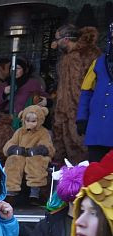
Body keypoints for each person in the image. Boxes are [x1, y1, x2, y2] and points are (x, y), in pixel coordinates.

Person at [51, 26, 99, 164]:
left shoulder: (88, 54)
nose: (55, 43)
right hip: (63, 114)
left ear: (66, 39)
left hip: (81, 111)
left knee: (82, 152)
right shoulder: (64, 59)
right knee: (63, 155)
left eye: (57, 39)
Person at [3, 105, 54, 203]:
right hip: (21, 156)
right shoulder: (19, 132)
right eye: (27, 120)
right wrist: (14, 149)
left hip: (35, 156)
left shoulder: (43, 132)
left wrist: (39, 150)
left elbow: (48, 146)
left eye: (34, 121)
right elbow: (10, 144)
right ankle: (11, 188)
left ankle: (35, 189)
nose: (30, 123)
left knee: (36, 160)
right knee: (13, 160)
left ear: (39, 121)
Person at [77, 28, 113, 162]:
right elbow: (86, 93)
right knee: (95, 175)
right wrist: (81, 118)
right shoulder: (98, 63)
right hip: (97, 128)